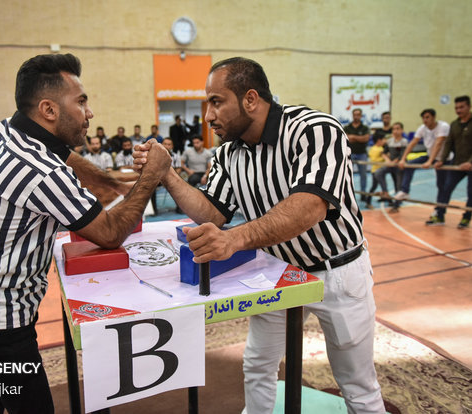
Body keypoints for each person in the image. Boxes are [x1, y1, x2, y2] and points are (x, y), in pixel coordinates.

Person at [135, 57, 385, 413]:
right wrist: (167, 173)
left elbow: (309, 205)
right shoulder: (228, 155)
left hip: (337, 272)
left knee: (357, 384)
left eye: (216, 101)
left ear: (250, 99)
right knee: (257, 366)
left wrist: (235, 239)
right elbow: (212, 212)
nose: (208, 116)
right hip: (278, 273)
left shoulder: (313, 129)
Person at [0, 53, 170, 414]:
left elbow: (64, 156)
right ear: (49, 110)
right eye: (81, 101)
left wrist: (108, 179)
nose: (90, 112)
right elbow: (110, 232)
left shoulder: (6, 130)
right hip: (1, 320)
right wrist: (152, 176)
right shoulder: (40, 172)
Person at [393, 109, 450, 225]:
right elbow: (412, 143)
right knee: (409, 165)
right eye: (423, 118)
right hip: (430, 156)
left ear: (434, 117)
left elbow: (439, 144)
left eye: (427, 117)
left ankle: (439, 213)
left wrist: (430, 161)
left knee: (442, 186)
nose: (425, 120)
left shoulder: (443, 126)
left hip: (443, 159)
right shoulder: (422, 128)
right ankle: (405, 190)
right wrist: (403, 159)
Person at [435, 95, 472, 229]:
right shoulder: (454, 124)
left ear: (469, 106)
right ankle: (439, 215)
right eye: (456, 107)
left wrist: (470, 162)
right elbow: (448, 144)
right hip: (457, 164)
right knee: (446, 188)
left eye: (462, 107)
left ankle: (466, 218)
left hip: (471, 166)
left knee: (471, 193)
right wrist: (441, 160)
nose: (458, 110)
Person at [374, 122, 408, 213]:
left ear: (401, 130)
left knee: (398, 185)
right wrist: (388, 160)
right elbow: (384, 153)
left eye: (398, 129)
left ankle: (396, 205)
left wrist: (394, 162)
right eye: (394, 129)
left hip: (399, 166)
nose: (395, 131)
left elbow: (402, 155)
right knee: (378, 173)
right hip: (391, 164)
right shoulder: (390, 141)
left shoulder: (404, 141)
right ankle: (385, 192)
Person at [344, 108, 371, 203]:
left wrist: (353, 137)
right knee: (347, 175)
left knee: (363, 175)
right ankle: (347, 194)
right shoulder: (347, 127)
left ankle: (363, 194)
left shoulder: (365, 128)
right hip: (349, 154)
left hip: (362, 154)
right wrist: (359, 138)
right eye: (354, 114)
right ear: (352, 115)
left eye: (358, 114)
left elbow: (366, 139)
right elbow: (346, 139)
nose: (356, 116)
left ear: (361, 115)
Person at [366, 135, 389, 209]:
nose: (384, 141)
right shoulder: (379, 149)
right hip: (377, 171)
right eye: (383, 140)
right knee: (381, 186)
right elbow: (376, 160)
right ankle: (368, 202)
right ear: (379, 140)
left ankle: (387, 200)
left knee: (377, 187)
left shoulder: (373, 148)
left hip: (377, 170)